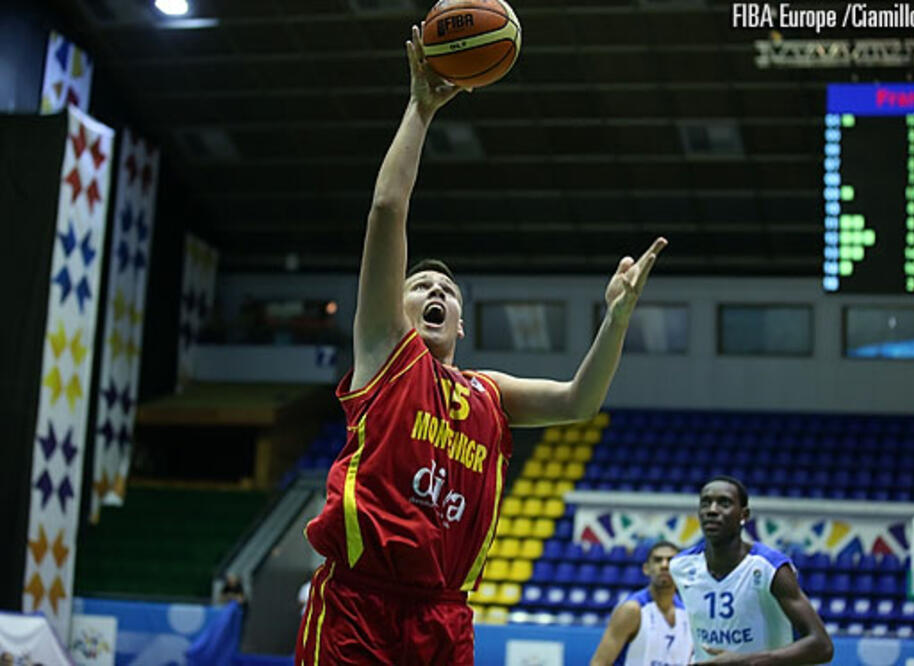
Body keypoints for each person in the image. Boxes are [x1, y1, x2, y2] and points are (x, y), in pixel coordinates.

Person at [294, 22, 668, 666]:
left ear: (460, 323)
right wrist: (421, 107)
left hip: (444, 616)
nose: (435, 289)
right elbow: (387, 210)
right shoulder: (388, 355)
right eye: (420, 285)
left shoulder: (487, 395)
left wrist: (618, 315)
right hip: (361, 606)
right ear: (399, 310)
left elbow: (580, 400)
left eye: (448, 288)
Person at [668, 476, 834, 664]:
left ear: (744, 515)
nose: (712, 510)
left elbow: (822, 646)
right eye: (706, 503)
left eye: (724, 503)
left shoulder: (770, 567)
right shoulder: (681, 566)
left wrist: (745, 662)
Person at [590, 541, 693, 666]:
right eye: (658, 560)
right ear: (646, 569)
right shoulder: (632, 610)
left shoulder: (688, 614)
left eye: (670, 560)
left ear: (680, 569)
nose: (664, 565)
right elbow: (599, 663)